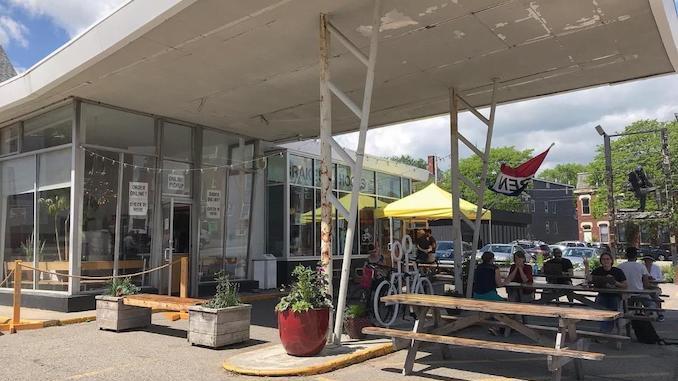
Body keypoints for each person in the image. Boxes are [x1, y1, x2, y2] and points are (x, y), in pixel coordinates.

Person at [588, 252, 627, 333]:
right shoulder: (597, 270)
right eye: (603, 259)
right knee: (600, 310)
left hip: (615, 295)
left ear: (611, 261)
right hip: (602, 294)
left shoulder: (618, 271)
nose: (605, 261)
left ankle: (605, 332)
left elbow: (625, 285)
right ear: (601, 261)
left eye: (607, 259)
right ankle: (605, 331)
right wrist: (586, 266)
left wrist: (614, 282)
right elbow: (589, 279)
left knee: (611, 311)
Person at [642, 254, 665, 322]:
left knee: (656, 298)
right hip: (644, 287)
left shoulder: (656, 268)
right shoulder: (641, 267)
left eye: (649, 260)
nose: (648, 262)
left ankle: (659, 314)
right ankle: (648, 311)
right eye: (646, 260)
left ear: (652, 261)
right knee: (647, 298)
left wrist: (654, 279)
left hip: (654, 286)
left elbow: (660, 278)